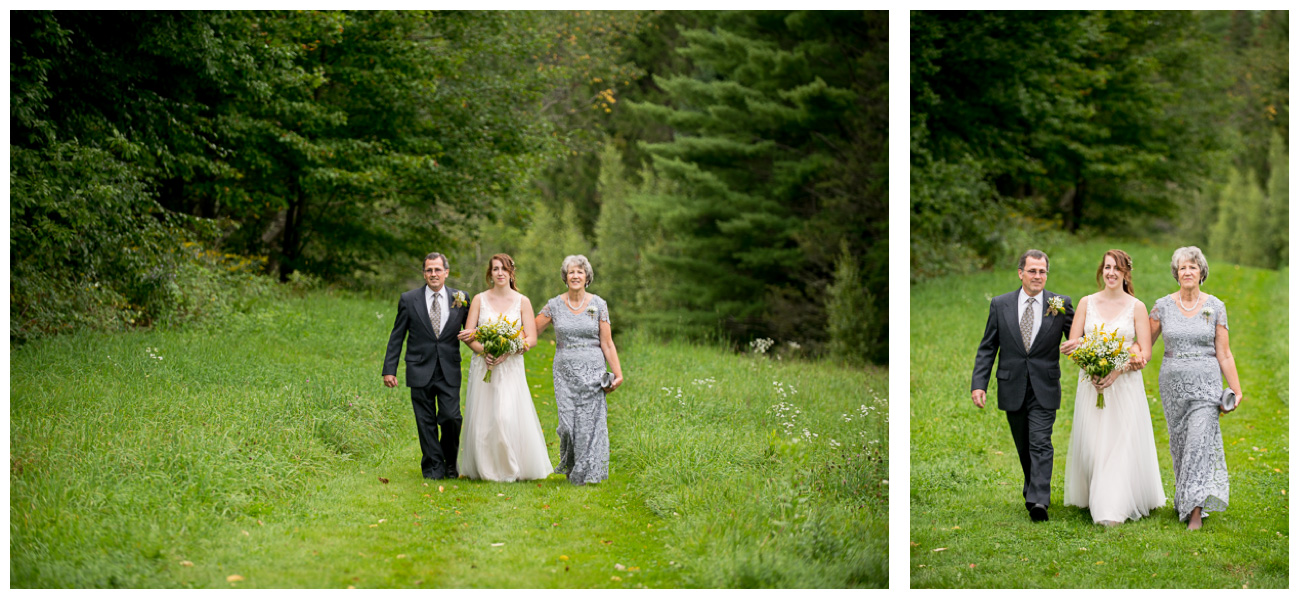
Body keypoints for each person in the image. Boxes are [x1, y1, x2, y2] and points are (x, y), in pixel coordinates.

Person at [970, 249, 1076, 522]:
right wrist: (979, 384)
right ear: (1021, 273)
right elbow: (988, 347)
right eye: (1032, 271)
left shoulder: (1059, 303)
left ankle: (1039, 499)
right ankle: (1032, 487)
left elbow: (1079, 337)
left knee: (1040, 441)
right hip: (1012, 384)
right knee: (1023, 444)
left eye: (1042, 271)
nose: (1038, 276)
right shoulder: (1000, 304)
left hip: (1045, 385)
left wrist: (1091, 358)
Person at [1061, 250, 1165, 525]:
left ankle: (1110, 508)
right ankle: (1094, 492)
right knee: (1094, 446)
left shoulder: (1136, 307)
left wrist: (1117, 368)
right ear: (1101, 270)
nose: (1111, 273)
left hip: (1124, 388)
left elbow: (1144, 352)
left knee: (1119, 446)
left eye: (1116, 268)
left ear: (1125, 273)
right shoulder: (1086, 303)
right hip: (1092, 384)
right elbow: (1073, 345)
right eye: (1107, 267)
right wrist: (1090, 363)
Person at [1147, 246, 1243, 531]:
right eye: (1182, 267)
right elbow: (1144, 345)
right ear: (1176, 273)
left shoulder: (1215, 306)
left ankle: (1195, 512)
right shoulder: (1162, 306)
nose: (1187, 271)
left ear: (1202, 272)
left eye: (1193, 267)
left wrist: (1236, 389)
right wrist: (1112, 360)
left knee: (1199, 445)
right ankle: (1185, 497)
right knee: (1180, 445)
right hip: (1173, 385)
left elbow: (1224, 353)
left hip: (1207, 384)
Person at [457, 254, 553, 481]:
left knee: (505, 416)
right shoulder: (480, 299)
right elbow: (469, 335)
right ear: (490, 274)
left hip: (510, 367)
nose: (500, 272)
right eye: (495, 269)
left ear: (511, 273)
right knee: (484, 420)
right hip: (484, 367)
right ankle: (486, 468)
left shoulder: (523, 301)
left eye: (504, 269)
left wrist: (508, 350)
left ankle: (511, 467)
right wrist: (485, 352)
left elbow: (531, 338)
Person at [535, 255, 624, 486]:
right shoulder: (554, 305)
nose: (575, 276)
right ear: (565, 277)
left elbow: (607, 343)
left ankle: (587, 473)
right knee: (567, 425)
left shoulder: (599, 304)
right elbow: (531, 329)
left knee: (589, 423)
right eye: (571, 272)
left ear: (587, 277)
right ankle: (573, 465)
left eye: (580, 272)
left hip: (594, 371)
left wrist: (618, 373)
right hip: (564, 372)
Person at [382, 252, 471, 480]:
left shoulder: (461, 298)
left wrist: (489, 352)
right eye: (429, 270)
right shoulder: (409, 299)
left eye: (437, 270)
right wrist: (389, 369)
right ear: (424, 273)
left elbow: (472, 331)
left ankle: (450, 463)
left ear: (446, 273)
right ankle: (433, 467)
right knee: (425, 421)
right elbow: (397, 335)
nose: (433, 274)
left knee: (451, 417)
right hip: (419, 367)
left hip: (449, 368)